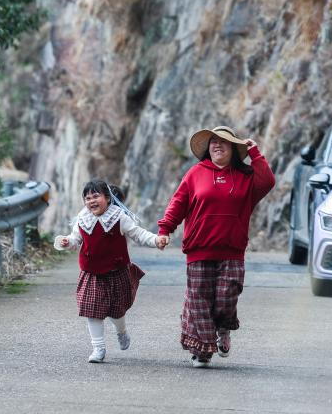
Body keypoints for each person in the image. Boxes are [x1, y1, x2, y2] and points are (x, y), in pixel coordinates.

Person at [157, 125, 275, 366]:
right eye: (213, 141)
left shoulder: (245, 177)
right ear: (207, 148)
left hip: (232, 250)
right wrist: (165, 229)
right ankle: (201, 351)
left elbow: (268, 181)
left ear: (233, 149)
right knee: (199, 299)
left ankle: (223, 329)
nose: (217, 145)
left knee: (226, 297)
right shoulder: (195, 173)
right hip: (199, 249)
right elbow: (178, 202)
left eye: (224, 141)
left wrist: (254, 153)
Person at [54, 179, 168, 363]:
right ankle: (98, 348)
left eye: (96, 196)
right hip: (92, 273)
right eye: (87, 197)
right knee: (92, 310)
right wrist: (67, 242)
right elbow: (76, 239)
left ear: (107, 198)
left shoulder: (119, 217)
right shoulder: (82, 219)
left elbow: (138, 234)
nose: (91, 200)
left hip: (117, 271)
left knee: (117, 311)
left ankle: (121, 331)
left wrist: (156, 240)